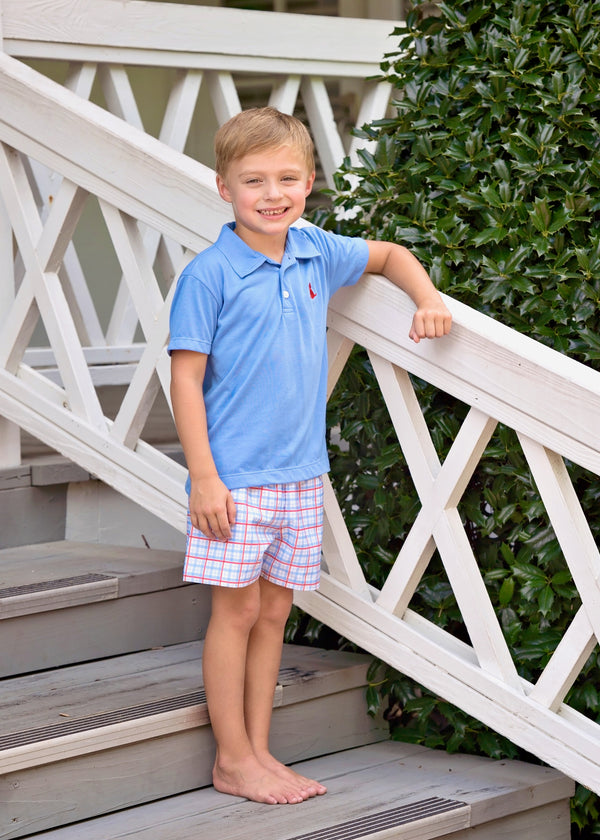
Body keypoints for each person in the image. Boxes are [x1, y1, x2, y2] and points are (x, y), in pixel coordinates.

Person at [168, 107, 452, 806]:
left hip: (301, 475)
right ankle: (231, 757)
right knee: (234, 616)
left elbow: (387, 256)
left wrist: (427, 296)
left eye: (288, 178)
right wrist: (204, 476)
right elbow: (184, 379)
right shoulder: (210, 275)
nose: (272, 193)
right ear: (224, 187)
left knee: (273, 616)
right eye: (254, 180)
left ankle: (260, 750)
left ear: (310, 181)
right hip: (233, 480)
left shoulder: (313, 248)